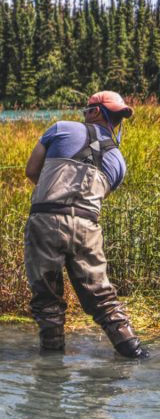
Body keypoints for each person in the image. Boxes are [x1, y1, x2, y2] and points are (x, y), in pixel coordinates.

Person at [23, 91, 147, 359]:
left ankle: (52, 366)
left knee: (48, 302)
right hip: (87, 228)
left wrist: (53, 192)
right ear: (115, 119)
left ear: (93, 112)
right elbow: (96, 198)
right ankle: (134, 352)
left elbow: (32, 171)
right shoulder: (119, 162)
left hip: (46, 220)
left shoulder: (60, 129)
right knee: (103, 300)